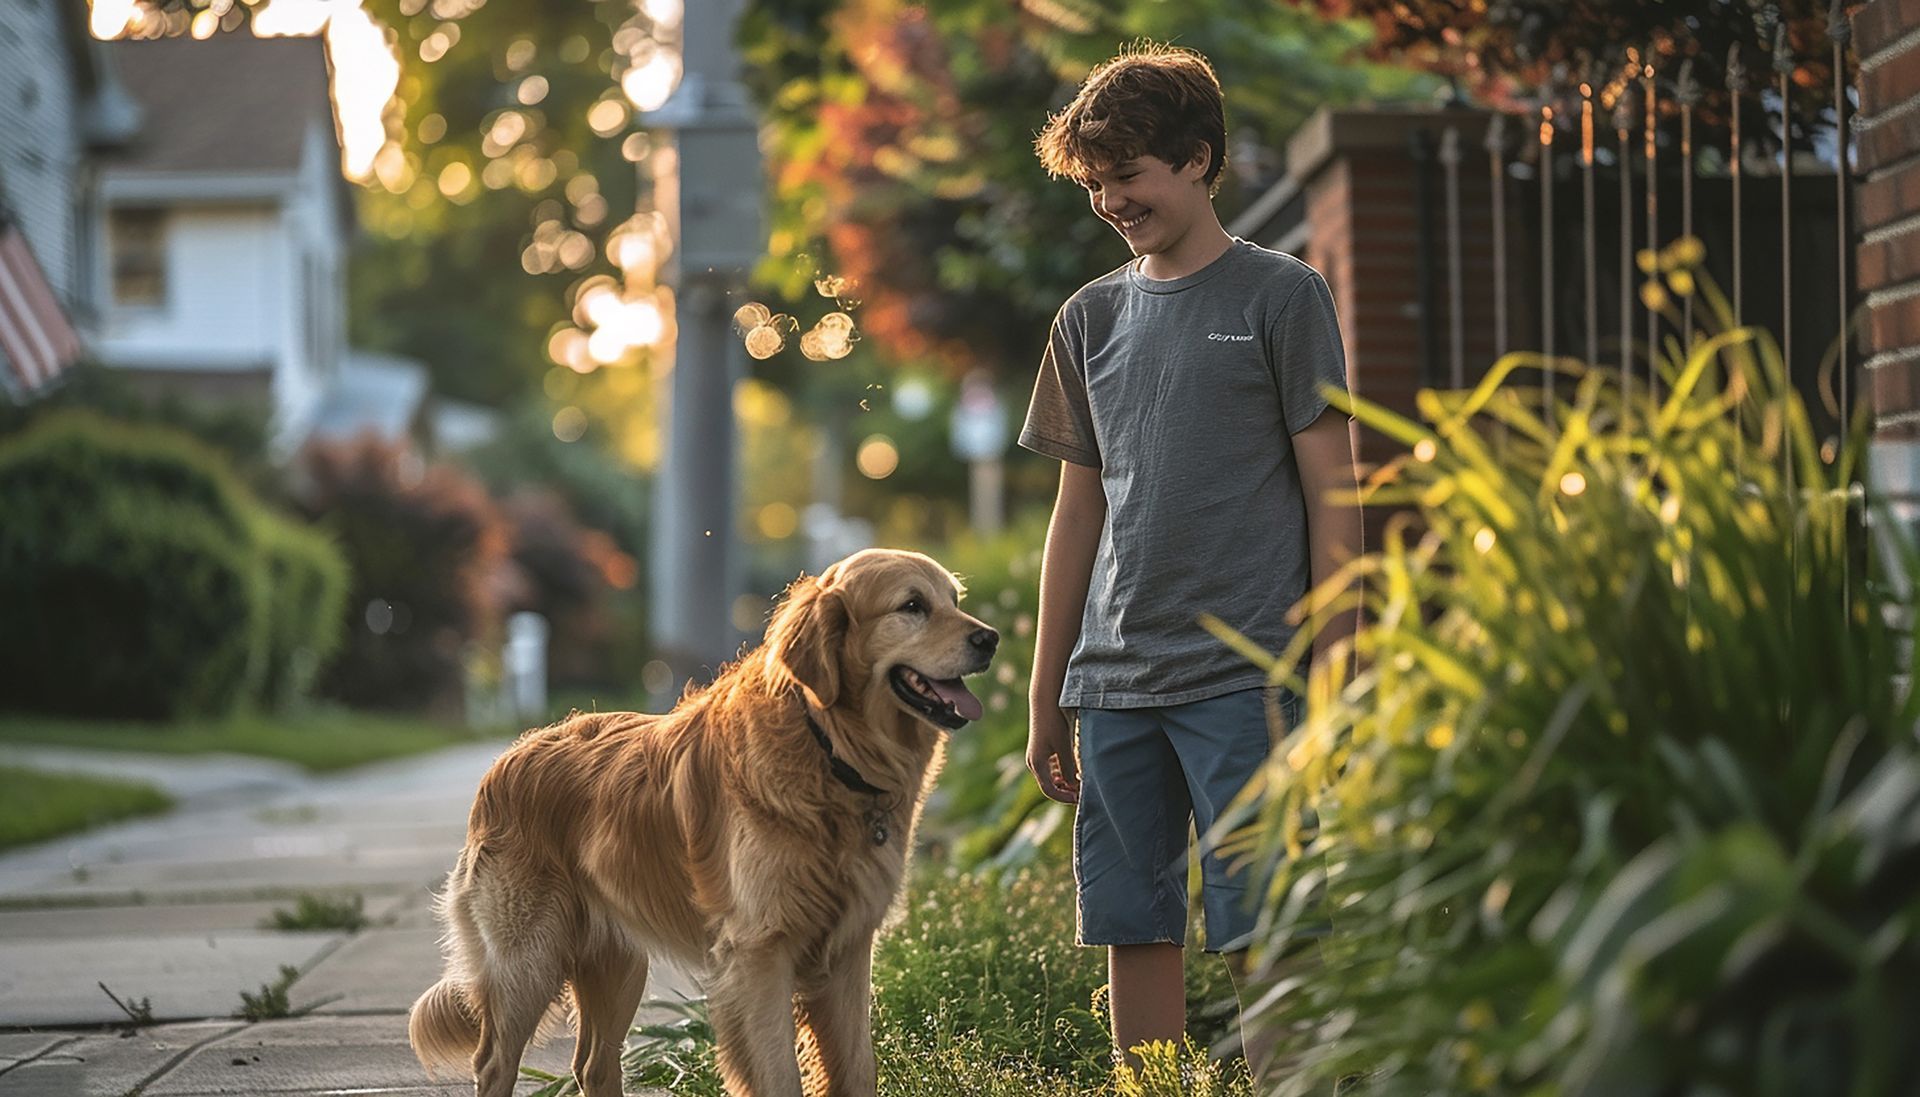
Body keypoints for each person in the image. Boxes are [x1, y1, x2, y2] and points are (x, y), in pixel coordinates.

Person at [1017, 41, 1363, 1085]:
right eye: (1095, 182)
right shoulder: (1089, 318)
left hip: (1249, 674)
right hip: (1116, 683)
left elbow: (1332, 495)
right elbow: (1076, 517)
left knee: (1271, 925)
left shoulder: (1283, 297)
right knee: (1136, 925)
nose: (1112, 199)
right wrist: (1048, 691)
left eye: (1129, 173)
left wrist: (1338, 668)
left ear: (1199, 160)